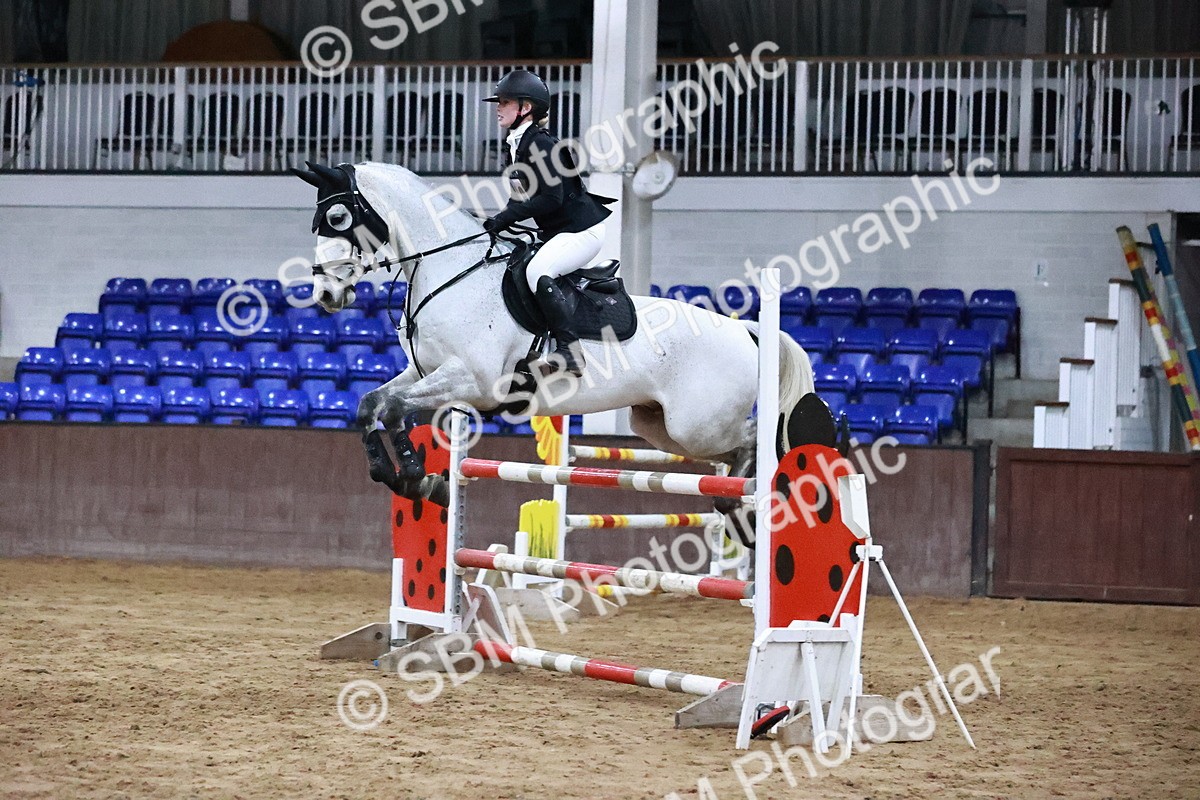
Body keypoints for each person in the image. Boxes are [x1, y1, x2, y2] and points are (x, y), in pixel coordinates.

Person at [482, 69, 612, 377]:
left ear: (525, 108)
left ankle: (570, 350)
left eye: (505, 102)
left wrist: (505, 218)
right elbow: (519, 197)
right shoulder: (514, 145)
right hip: (558, 231)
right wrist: (494, 225)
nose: (498, 108)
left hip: (583, 231)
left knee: (538, 270)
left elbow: (551, 199)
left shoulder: (540, 144)